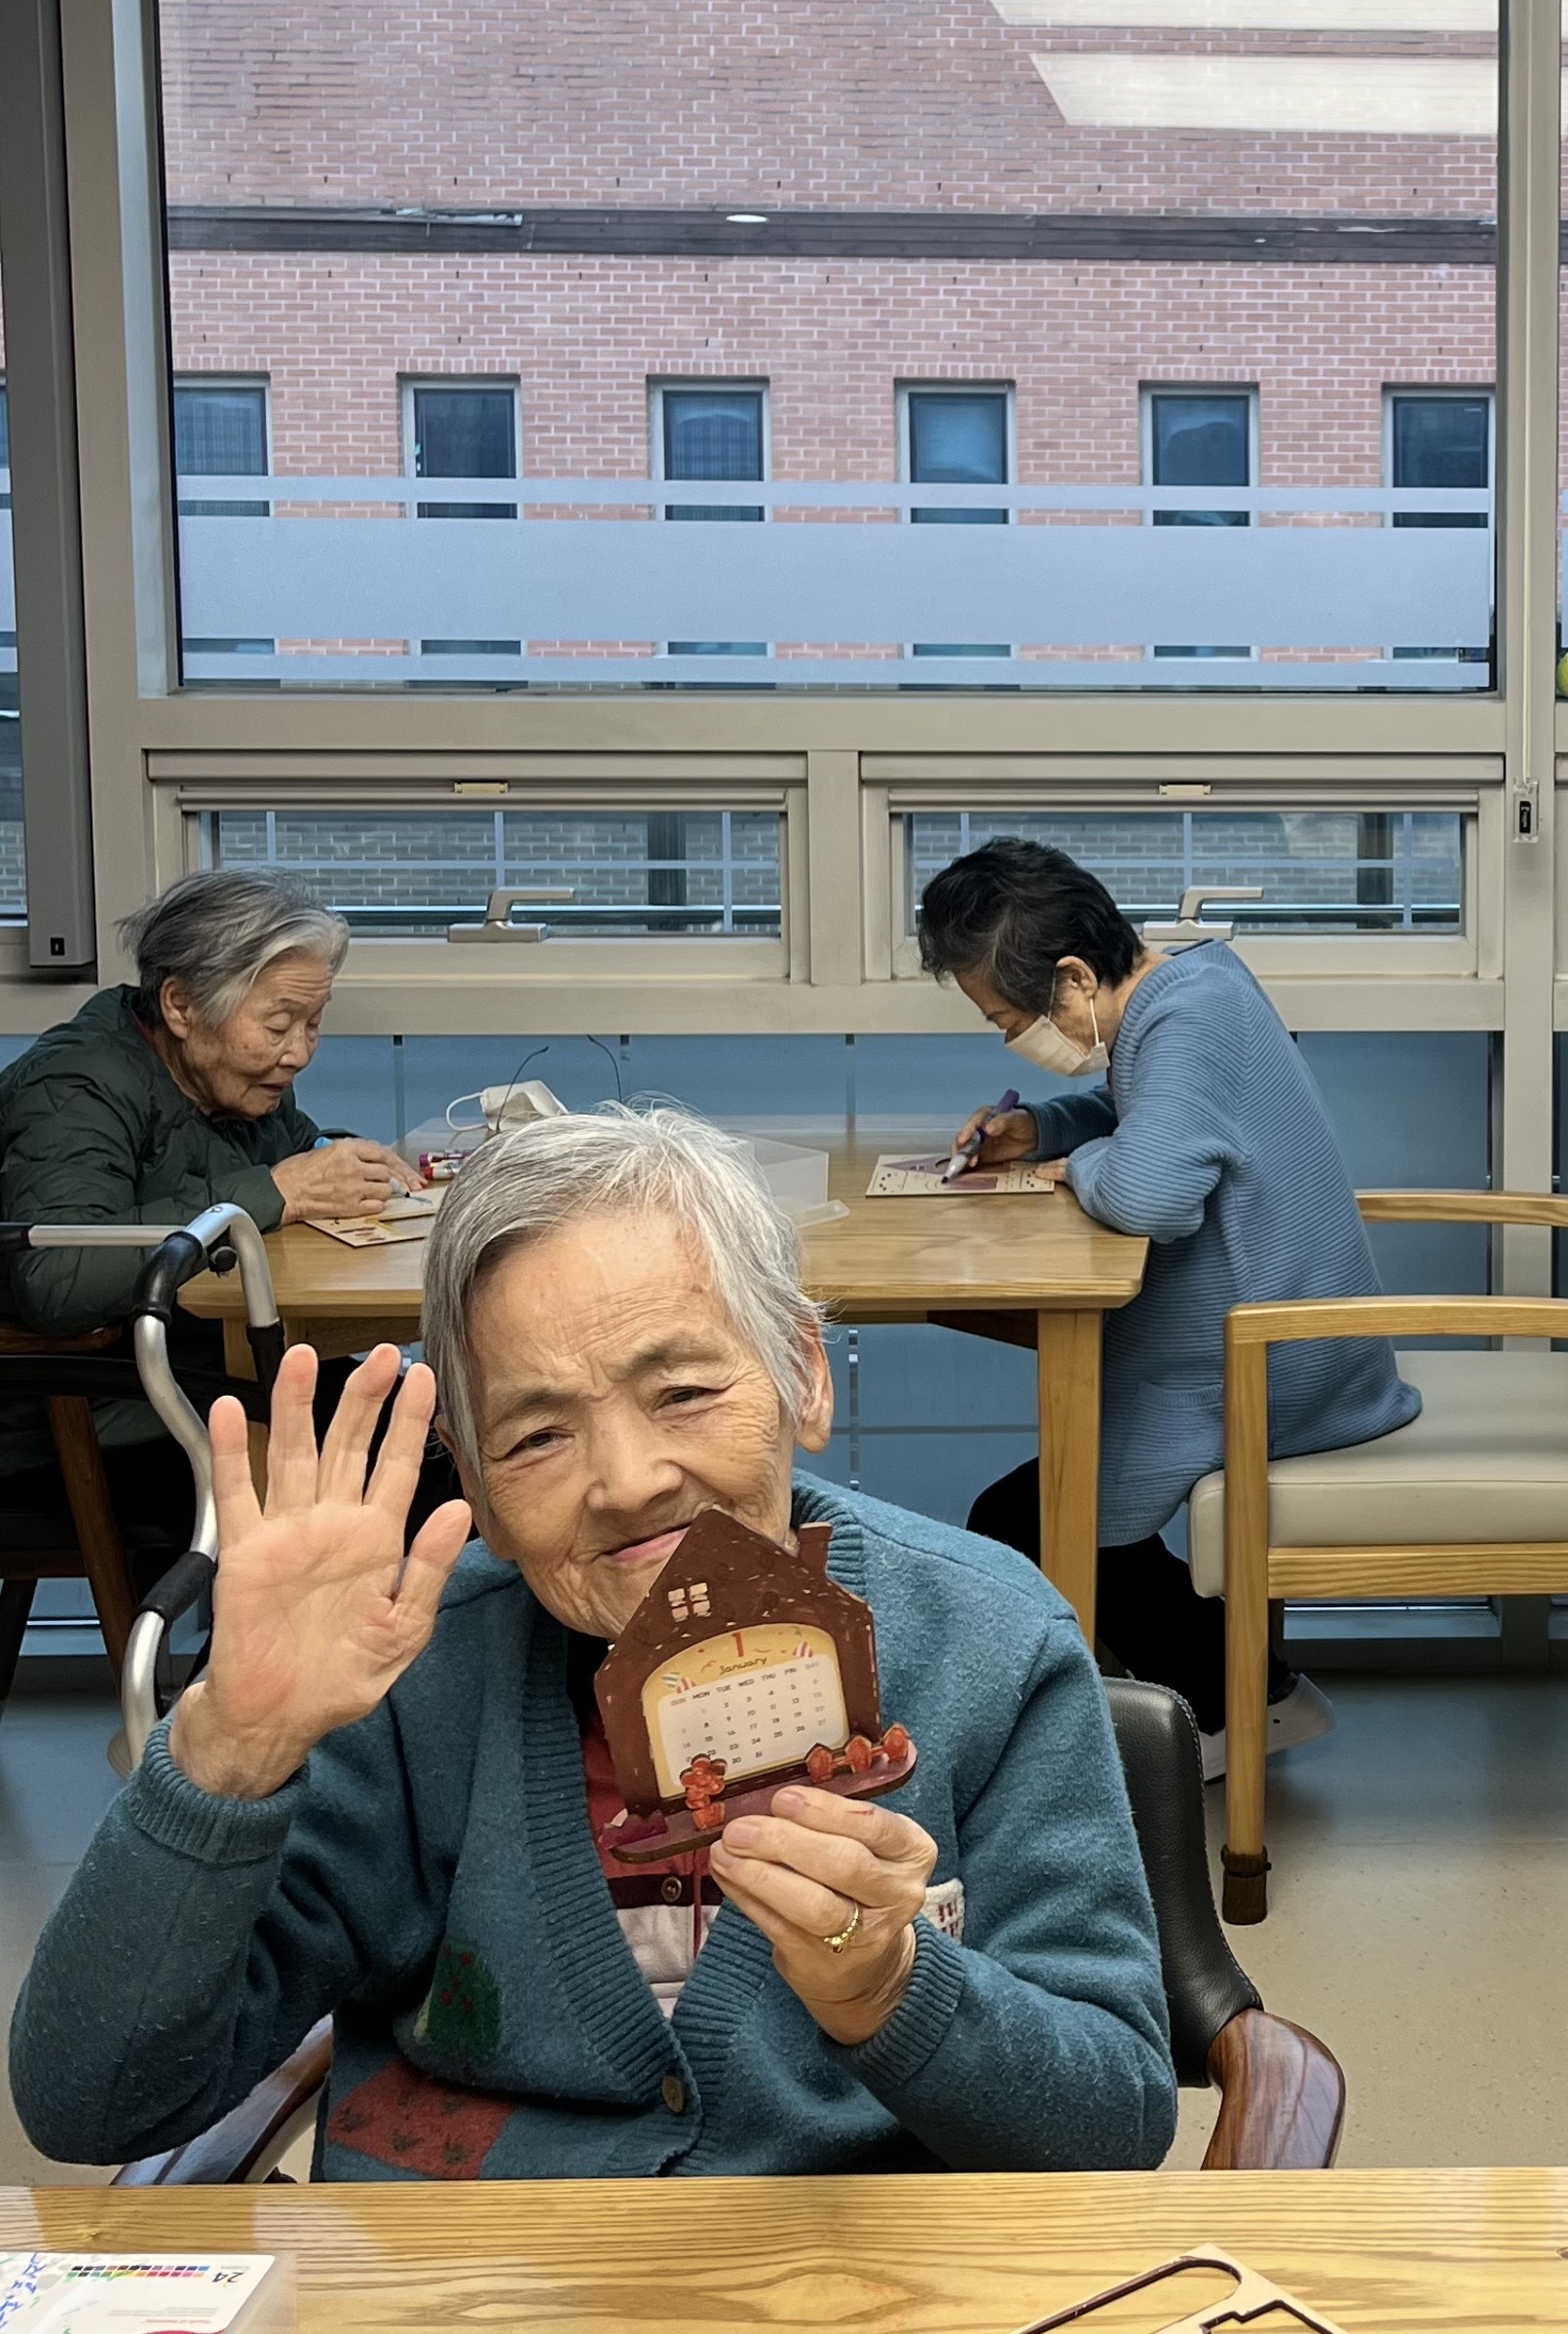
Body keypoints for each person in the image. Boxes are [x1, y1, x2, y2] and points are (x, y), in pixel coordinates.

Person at [9, 1107, 1175, 2179]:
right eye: (537, 1438)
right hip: (468, 2286)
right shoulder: (403, 1679)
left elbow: (1115, 2125)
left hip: (851, 2284)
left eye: (682, 1394)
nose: (626, 1482)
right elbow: (90, 2104)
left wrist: (892, 1987)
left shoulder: (988, 1641)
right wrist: (231, 1748)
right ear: (472, 1483)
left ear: (804, 1375)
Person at [918, 837, 1418, 1769]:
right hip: (1266, 1335)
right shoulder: (1192, 989)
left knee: (1032, 1520)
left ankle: (1240, 1705)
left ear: (1073, 979)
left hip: (1272, 1361)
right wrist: (1042, 1129)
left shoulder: (1185, 1021)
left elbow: (1152, 1193)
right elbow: (1148, 1116)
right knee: (1031, 1508)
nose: (1008, 1039)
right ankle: (1238, 1690)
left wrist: (1078, 1167)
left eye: (1008, 1020)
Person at [0, 870, 418, 1526]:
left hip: (201, 1373)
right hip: (88, 1417)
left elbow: (292, 1154)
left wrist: (339, 1162)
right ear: (180, 1006)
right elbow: (57, 1278)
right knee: (417, 1466)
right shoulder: (77, 1087)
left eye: (313, 1024)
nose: (299, 1052)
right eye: (279, 1024)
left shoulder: (234, 1074)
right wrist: (277, 1190)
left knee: (445, 1426)